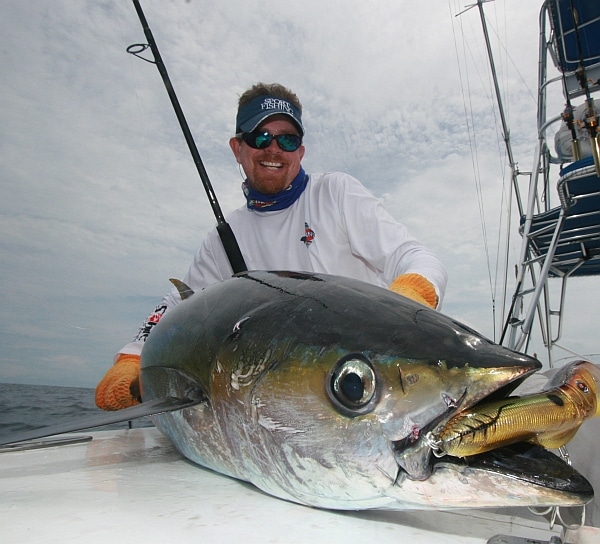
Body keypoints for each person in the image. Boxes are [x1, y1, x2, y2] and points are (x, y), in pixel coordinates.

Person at [95, 82, 448, 410]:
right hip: (281, 409)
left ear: (302, 151)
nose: (274, 149)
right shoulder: (223, 239)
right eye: (260, 137)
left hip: (374, 397)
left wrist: (408, 302)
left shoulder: (336, 194)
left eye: (287, 140)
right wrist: (133, 357)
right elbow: (178, 305)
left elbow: (417, 258)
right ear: (237, 148)